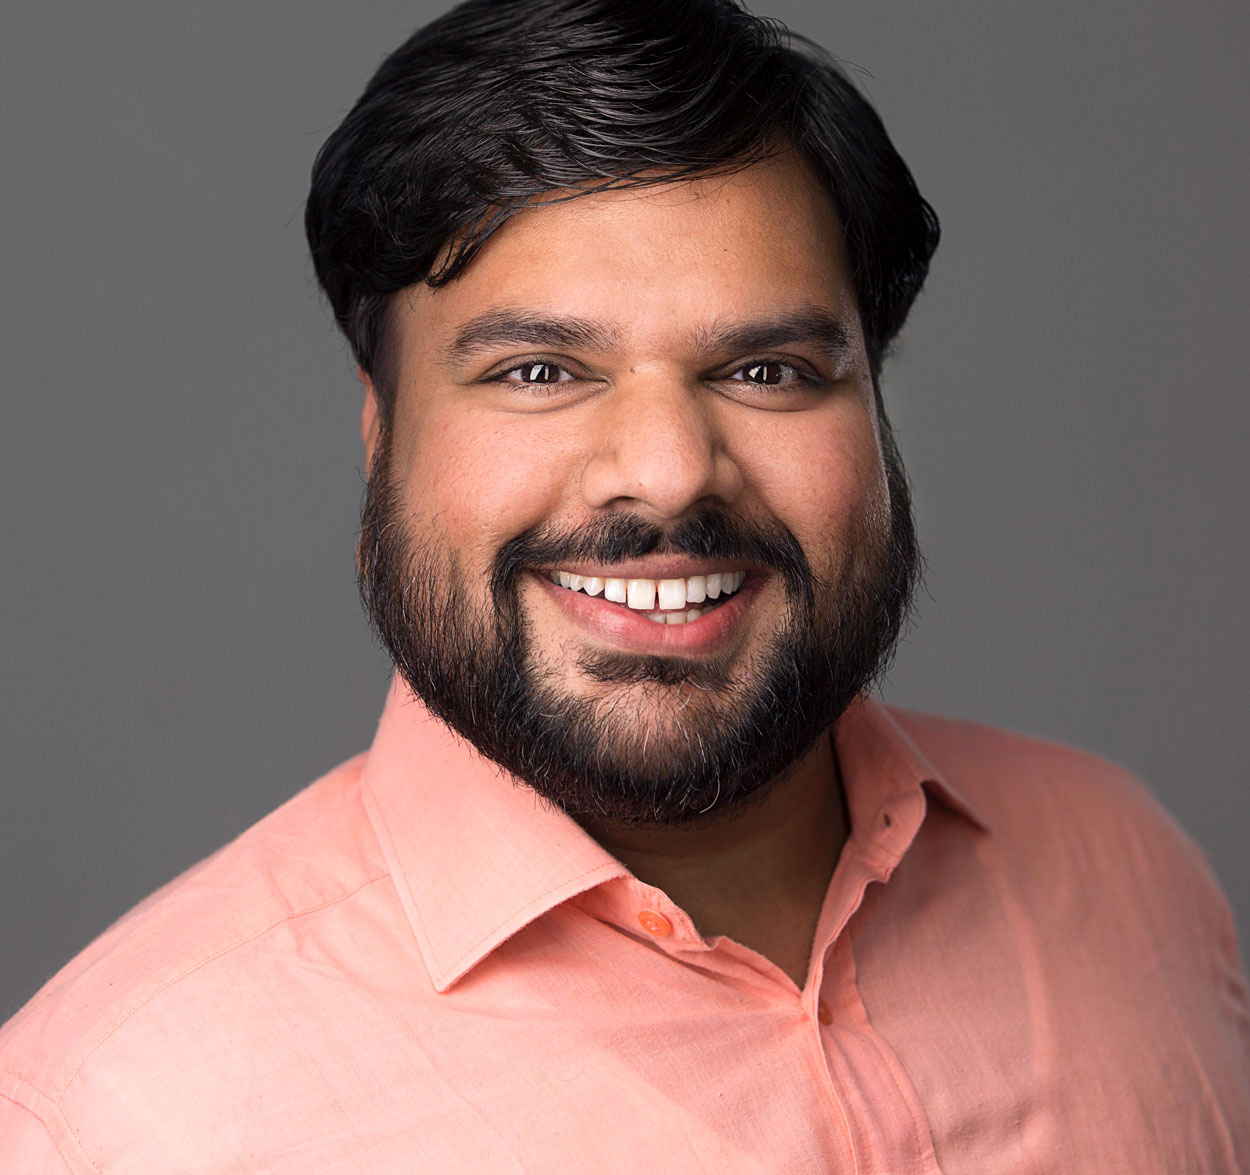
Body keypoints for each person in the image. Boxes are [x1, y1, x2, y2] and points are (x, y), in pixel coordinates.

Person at [2, 0, 1247, 1168]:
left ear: (875, 408)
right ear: (381, 433)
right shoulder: (113, 1118)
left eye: (766, 370)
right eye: (538, 372)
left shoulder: (1127, 870)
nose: (664, 471)